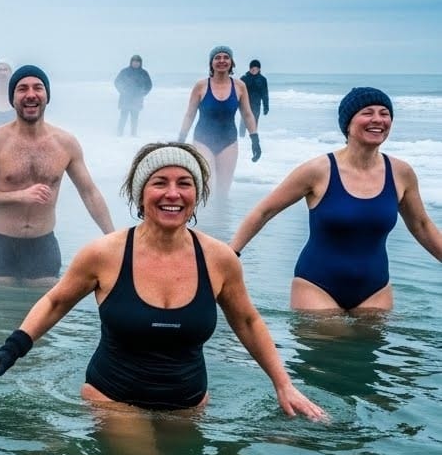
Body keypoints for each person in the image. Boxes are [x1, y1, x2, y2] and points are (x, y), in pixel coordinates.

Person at [0, 142, 326, 421]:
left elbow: (248, 321)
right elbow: (55, 301)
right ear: (140, 193)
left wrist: (283, 385)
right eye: (160, 182)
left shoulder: (220, 259)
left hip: (190, 408)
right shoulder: (105, 254)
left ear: (197, 194)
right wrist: (13, 348)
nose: (172, 193)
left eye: (184, 183)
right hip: (113, 402)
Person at [230, 88, 442, 313]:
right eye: (367, 113)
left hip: (376, 289)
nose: (378, 120)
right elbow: (265, 211)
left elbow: (422, 225)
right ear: (348, 124)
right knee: (333, 343)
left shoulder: (401, 173)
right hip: (316, 286)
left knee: (367, 346)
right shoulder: (318, 171)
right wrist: (230, 255)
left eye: (385, 113)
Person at [0, 65, 115, 285]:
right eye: (22, 89)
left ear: (47, 96)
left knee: (45, 309)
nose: (31, 94)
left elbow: (89, 192)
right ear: (12, 98)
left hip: (42, 243)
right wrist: (19, 196)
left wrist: (113, 239)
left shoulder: (65, 143)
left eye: (38, 88)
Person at [177, 46, 261, 203]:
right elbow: (190, 114)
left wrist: (255, 139)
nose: (222, 60)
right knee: (208, 186)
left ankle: (220, 226)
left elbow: (248, 114)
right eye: (217, 57)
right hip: (203, 141)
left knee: (223, 192)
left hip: (229, 142)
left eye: (226, 57)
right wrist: (181, 138)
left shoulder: (239, 86)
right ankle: (203, 222)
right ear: (211, 63)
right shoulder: (201, 86)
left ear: (231, 62)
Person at [114, 54, 153, 137]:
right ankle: (119, 134)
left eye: (137, 62)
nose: (136, 63)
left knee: (134, 118)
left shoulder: (143, 73)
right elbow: (117, 82)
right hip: (125, 98)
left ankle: (133, 135)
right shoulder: (125, 72)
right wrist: (122, 91)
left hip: (137, 99)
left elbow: (149, 85)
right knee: (123, 117)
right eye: (134, 62)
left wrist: (143, 93)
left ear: (140, 63)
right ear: (131, 62)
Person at [240, 59, 270, 137]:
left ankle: (252, 141)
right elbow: (238, 92)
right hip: (245, 104)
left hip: (256, 105)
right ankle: (241, 140)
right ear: (249, 69)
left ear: (259, 69)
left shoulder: (262, 80)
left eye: (255, 68)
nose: (253, 70)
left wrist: (266, 106)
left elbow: (265, 94)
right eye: (252, 68)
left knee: (254, 123)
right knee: (243, 123)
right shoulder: (244, 78)